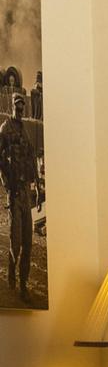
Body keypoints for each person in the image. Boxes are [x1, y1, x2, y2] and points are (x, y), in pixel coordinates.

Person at [0, 92, 42, 302]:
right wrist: (8, 186)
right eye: (17, 106)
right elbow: (0, 161)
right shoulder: (5, 129)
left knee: (27, 241)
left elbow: (32, 157)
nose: (20, 109)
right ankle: (11, 276)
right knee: (15, 242)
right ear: (12, 106)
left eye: (22, 107)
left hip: (26, 192)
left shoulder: (24, 130)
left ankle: (23, 284)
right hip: (15, 193)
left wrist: (38, 186)